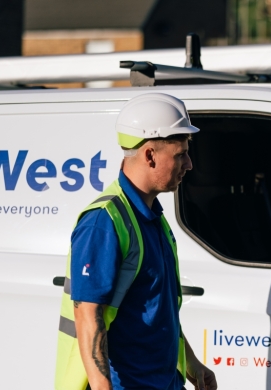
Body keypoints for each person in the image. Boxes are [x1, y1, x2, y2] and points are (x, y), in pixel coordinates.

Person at [54, 93, 217, 390]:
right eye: (180, 154)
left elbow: (156, 310)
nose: (190, 164)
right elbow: (88, 316)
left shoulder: (153, 218)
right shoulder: (103, 223)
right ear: (150, 155)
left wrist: (192, 363)